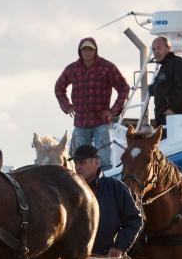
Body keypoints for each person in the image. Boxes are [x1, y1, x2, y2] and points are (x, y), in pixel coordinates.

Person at [55, 37, 130, 170]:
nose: (87, 52)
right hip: (81, 122)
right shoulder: (72, 69)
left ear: (96, 51)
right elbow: (59, 87)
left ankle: (104, 183)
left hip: (101, 121)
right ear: (80, 51)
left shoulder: (107, 67)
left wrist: (113, 111)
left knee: (104, 161)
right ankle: (81, 186)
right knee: (79, 160)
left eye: (91, 49)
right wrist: (67, 107)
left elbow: (124, 87)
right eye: (85, 49)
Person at [149, 36, 182, 129]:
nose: (156, 52)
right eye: (154, 49)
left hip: (174, 118)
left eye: (159, 48)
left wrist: (172, 109)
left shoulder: (177, 63)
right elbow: (155, 89)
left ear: (168, 48)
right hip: (161, 120)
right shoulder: (163, 68)